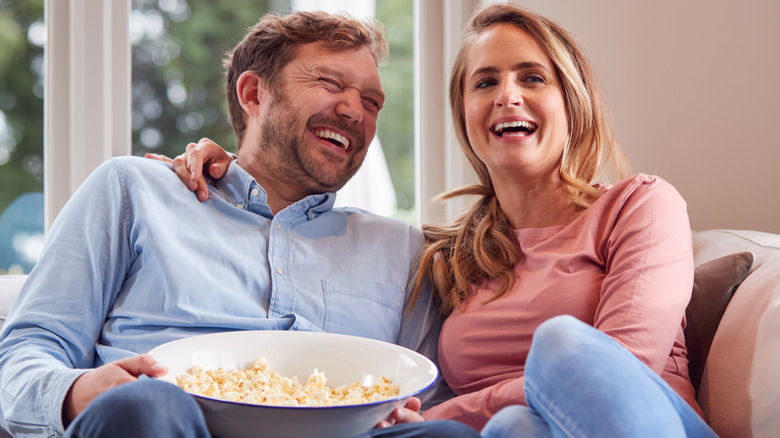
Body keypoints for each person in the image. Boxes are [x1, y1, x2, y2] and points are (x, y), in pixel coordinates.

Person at [173, 4, 717, 437]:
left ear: (572, 104)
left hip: (649, 423)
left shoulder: (638, 205)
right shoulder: (451, 257)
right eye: (484, 83)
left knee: (563, 347)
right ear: (465, 116)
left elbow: (628, 362)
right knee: (514, 428)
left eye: (533, 77)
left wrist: (443, 418)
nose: (508, 96)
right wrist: (231, 167)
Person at [0, 11, 477, 438]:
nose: (355, 110)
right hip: (165, 422)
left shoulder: (405, 249)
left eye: (372, 102)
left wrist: (415, 413)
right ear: (253, 93)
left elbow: (424, 394)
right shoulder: (134, 190)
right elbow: (25, 351)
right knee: (148, 405)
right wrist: (75, 392)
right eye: (330, 84)